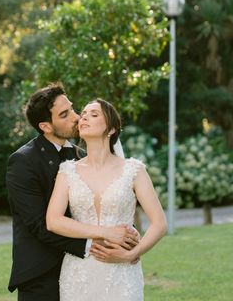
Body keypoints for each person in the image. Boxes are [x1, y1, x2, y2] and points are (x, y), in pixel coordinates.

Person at [6, 84, 139, 301]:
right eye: (65, 114)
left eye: (72, 109)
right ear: (46, 126)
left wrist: (127, 236)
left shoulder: (82, 156)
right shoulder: (23, 162)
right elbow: (38, 225)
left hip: (85, 269)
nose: (77, 117)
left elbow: (104, 202)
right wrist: (92, 244)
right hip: (41, 274)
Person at [46, 98, 167, 301]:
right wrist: (105, 233)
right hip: (78, 272)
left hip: (122, 273)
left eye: (94, 114)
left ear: (111, 129)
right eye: (83, 114)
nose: (84, 117)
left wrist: (131, 254)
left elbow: (160, 223)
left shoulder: (133, 170)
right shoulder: (67, 171)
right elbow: (53, 221)